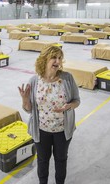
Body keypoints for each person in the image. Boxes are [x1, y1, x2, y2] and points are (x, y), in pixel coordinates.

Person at [18, 45, 80, 184]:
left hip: (62, 131)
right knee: (42, 160)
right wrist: (25, 100)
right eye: (54, 57)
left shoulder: (67, 78)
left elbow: (77, 101)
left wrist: (69, 106)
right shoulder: (35, 81)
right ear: (45, 59)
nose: (57, 61)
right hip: (41, 131)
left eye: (60, 58)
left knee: (61, 160)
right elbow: (28, 109)